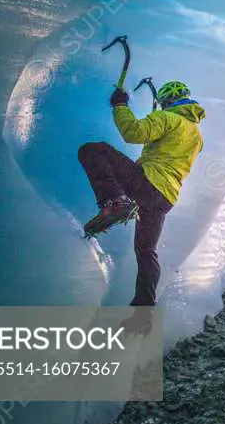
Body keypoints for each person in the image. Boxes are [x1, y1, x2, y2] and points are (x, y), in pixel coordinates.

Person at [77, 80, 205, 306]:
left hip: (147, 183)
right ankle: (143, 311)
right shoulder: (196, 135)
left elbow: (133, 132)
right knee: (146, 251)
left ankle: (115, 203)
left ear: (166, 102)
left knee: (94, 150)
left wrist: (120, 105)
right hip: (164, 199)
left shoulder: (168, 118)